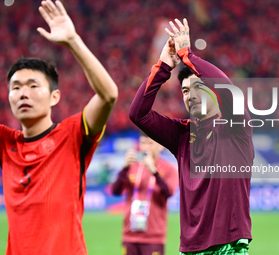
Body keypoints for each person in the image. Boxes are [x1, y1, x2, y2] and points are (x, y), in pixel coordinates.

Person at [0, 1, 118, 254]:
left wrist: (73, 40)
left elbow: (108, 95)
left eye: (33, 86)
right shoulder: (5, 142)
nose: (23, 94)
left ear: (54, 97)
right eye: (16, 87)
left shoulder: (72, 134)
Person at [129, 18, 254, 254]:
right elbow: (138, 114)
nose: (190, 95)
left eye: (198, 88)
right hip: (189, 248)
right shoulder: (181, 134)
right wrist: (164, 66)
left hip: (228, 245)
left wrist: (189, 57)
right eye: (186, 90)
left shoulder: (236, 129)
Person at [112, 132, 178, 255]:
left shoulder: (169, 169)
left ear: (161, 145)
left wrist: (154, 171)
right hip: (130, 234)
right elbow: (115, 191)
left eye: (150, 143)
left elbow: (169, 192)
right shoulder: (132, 166)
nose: (146, 147)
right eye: (143, 143)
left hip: (154, 236)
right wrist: (125, 167)